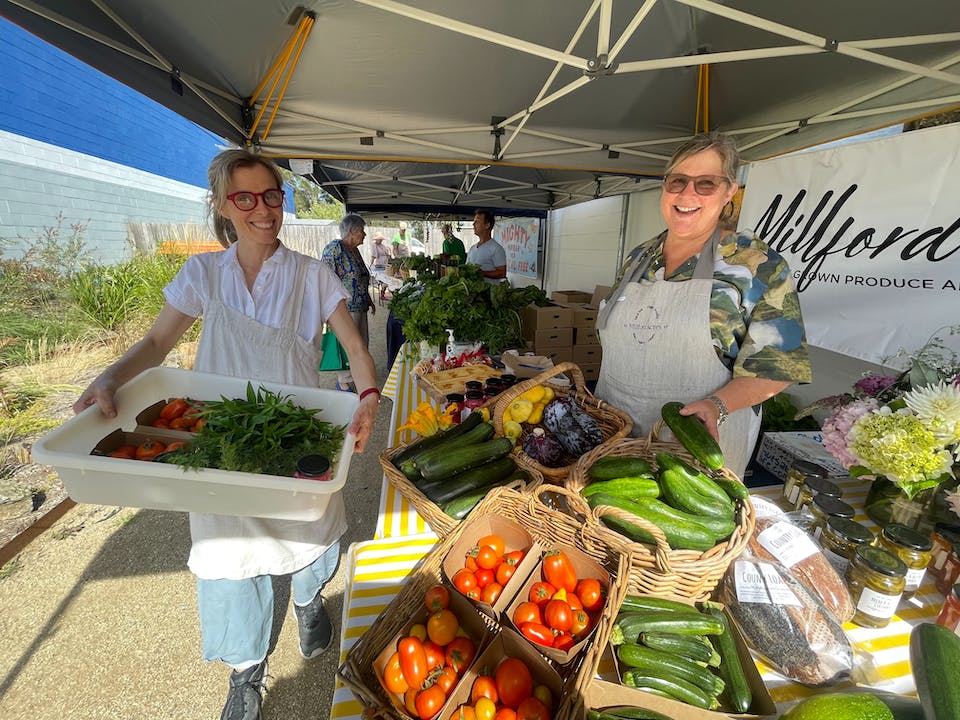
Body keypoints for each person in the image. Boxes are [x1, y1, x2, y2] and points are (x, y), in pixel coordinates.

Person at [72, 149, 380, 720]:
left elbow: (357, 349)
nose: (262, 209)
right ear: (223, 206)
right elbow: (157, 345)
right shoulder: (203, 274)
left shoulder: (312, 274)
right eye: (245, 198)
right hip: (221, 442)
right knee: (225, 553)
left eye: (271, 196)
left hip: (293, 434)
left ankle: (310, 602)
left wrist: (367, 398)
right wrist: (110, 375)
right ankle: (246, 671)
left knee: (310, 533)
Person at [595, 132, 811, 479]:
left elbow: (777, 368)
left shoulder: (756, 265)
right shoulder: (639, 257)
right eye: (677, 181)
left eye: (706, 184)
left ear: (729, 191)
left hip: (696, 458)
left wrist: (718, 405)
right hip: (614, 444)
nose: (687, 194)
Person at [322, 214, 376, 392]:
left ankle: (358, 376)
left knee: (360, 343)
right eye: (362, 230)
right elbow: (325, 278)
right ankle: (343, 381)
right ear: (352, 231)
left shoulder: (354, 250)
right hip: (344, 308)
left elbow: (361, 277)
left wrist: (369, 299)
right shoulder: (334, 249)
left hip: (360, 305)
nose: (364, 234)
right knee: (347, 343)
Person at [466, 209, 507, 283]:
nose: (473, 224)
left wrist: (482, 273)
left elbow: (502, 273)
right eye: (474, 221)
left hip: (489, 293)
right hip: (473, 293)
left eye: (477, 221)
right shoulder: (472, 249)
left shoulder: (496, 248)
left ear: (487, 225)